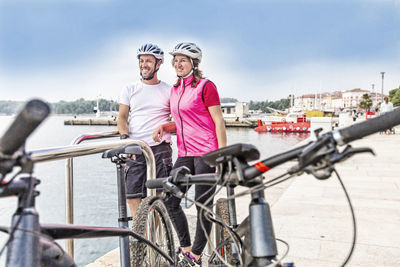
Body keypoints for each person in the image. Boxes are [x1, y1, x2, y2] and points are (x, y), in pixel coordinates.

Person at [153, 42, 227, 267]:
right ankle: (186, 248)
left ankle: (195, 255)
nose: (178, 64)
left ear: (194, 64)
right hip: (184, 153)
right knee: (170, 201)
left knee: (202, 205)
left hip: (206, 153)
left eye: (182, 60)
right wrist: (167, 127)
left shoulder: (206, 86)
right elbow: (184, 123)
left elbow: (218, 121)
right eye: (175, 61)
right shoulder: (175, 90)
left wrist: (221, 156)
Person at [117, 43, 173, 219]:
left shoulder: (169, 90)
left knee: (158, 199)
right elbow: (122, 118)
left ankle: (154, 240)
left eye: (148, 61)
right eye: (141, 61)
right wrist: (126, 141)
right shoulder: (130, 89)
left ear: (159, 64)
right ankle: (141, 239)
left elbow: (179, 119)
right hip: (135, 148)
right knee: (132, 196)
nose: (144, 65)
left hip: (160, 149)